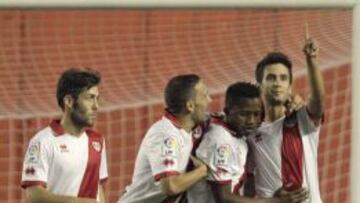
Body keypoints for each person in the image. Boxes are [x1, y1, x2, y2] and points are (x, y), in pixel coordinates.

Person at [187, 82, 308, 203]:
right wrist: (276, 201)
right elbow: (224, 198)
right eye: (244, 114)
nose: (251, 121)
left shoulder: (234, 129)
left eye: (256, 114)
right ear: (227, 112)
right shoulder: (222, 143)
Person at [247, 29, 325, 203]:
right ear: (260, 85)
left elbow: (318, 102)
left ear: (290, 87)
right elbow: (248, 187)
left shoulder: (302, 120)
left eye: (283, 78)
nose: (278, 83)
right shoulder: (250, 134)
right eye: (271, 78)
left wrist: (311, 60)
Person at [118, 74, 211, 203]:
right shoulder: (165, 135)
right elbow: (170, 186)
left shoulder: (187, 128)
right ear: (190, 106)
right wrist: (202, 171)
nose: (210, 100)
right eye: (205, 95)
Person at [21, 68, 108, 203]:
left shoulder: (97, 141)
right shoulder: (42, 142)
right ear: (69, 101)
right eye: (90, 98)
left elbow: (99, 189)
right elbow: (34, 195)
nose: (96, 106)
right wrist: (77, 202)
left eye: (97, 99)